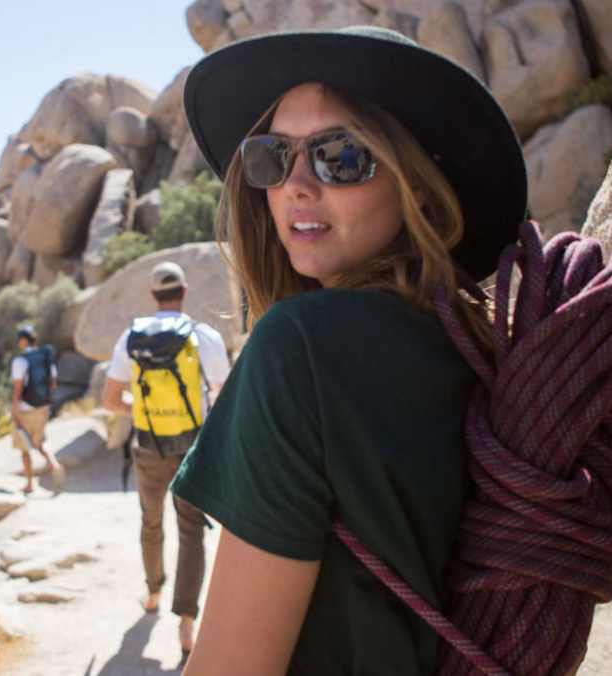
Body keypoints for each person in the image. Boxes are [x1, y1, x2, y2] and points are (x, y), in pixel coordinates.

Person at [170, 26, 528, 674]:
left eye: (340, 156)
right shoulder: (472, 340)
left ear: (414, 183)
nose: (296, 185)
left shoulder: (298, 347)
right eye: (272, 157)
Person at [101, 261, 231, 659]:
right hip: (193, 447)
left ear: (153, 294)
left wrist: (142, 411)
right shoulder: (201, 337)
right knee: (192, 531)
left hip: (148, 447)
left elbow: (109, 399)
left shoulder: (132, 338)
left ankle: (153, 593)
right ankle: (187, 624)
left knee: (151, 522)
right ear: (184, 291)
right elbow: (223, 394)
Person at [10, 324, 63, 494]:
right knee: (39, 442)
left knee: (24, 447)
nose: (19, 343)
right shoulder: (46, 357)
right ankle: (54, 465)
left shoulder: (20, 361)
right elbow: (53, 383)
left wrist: (14, 411)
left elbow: (17, 389)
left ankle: (29, 484)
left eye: (19, 340)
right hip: (44, 407)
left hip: (26, 408)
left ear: (24, 341)